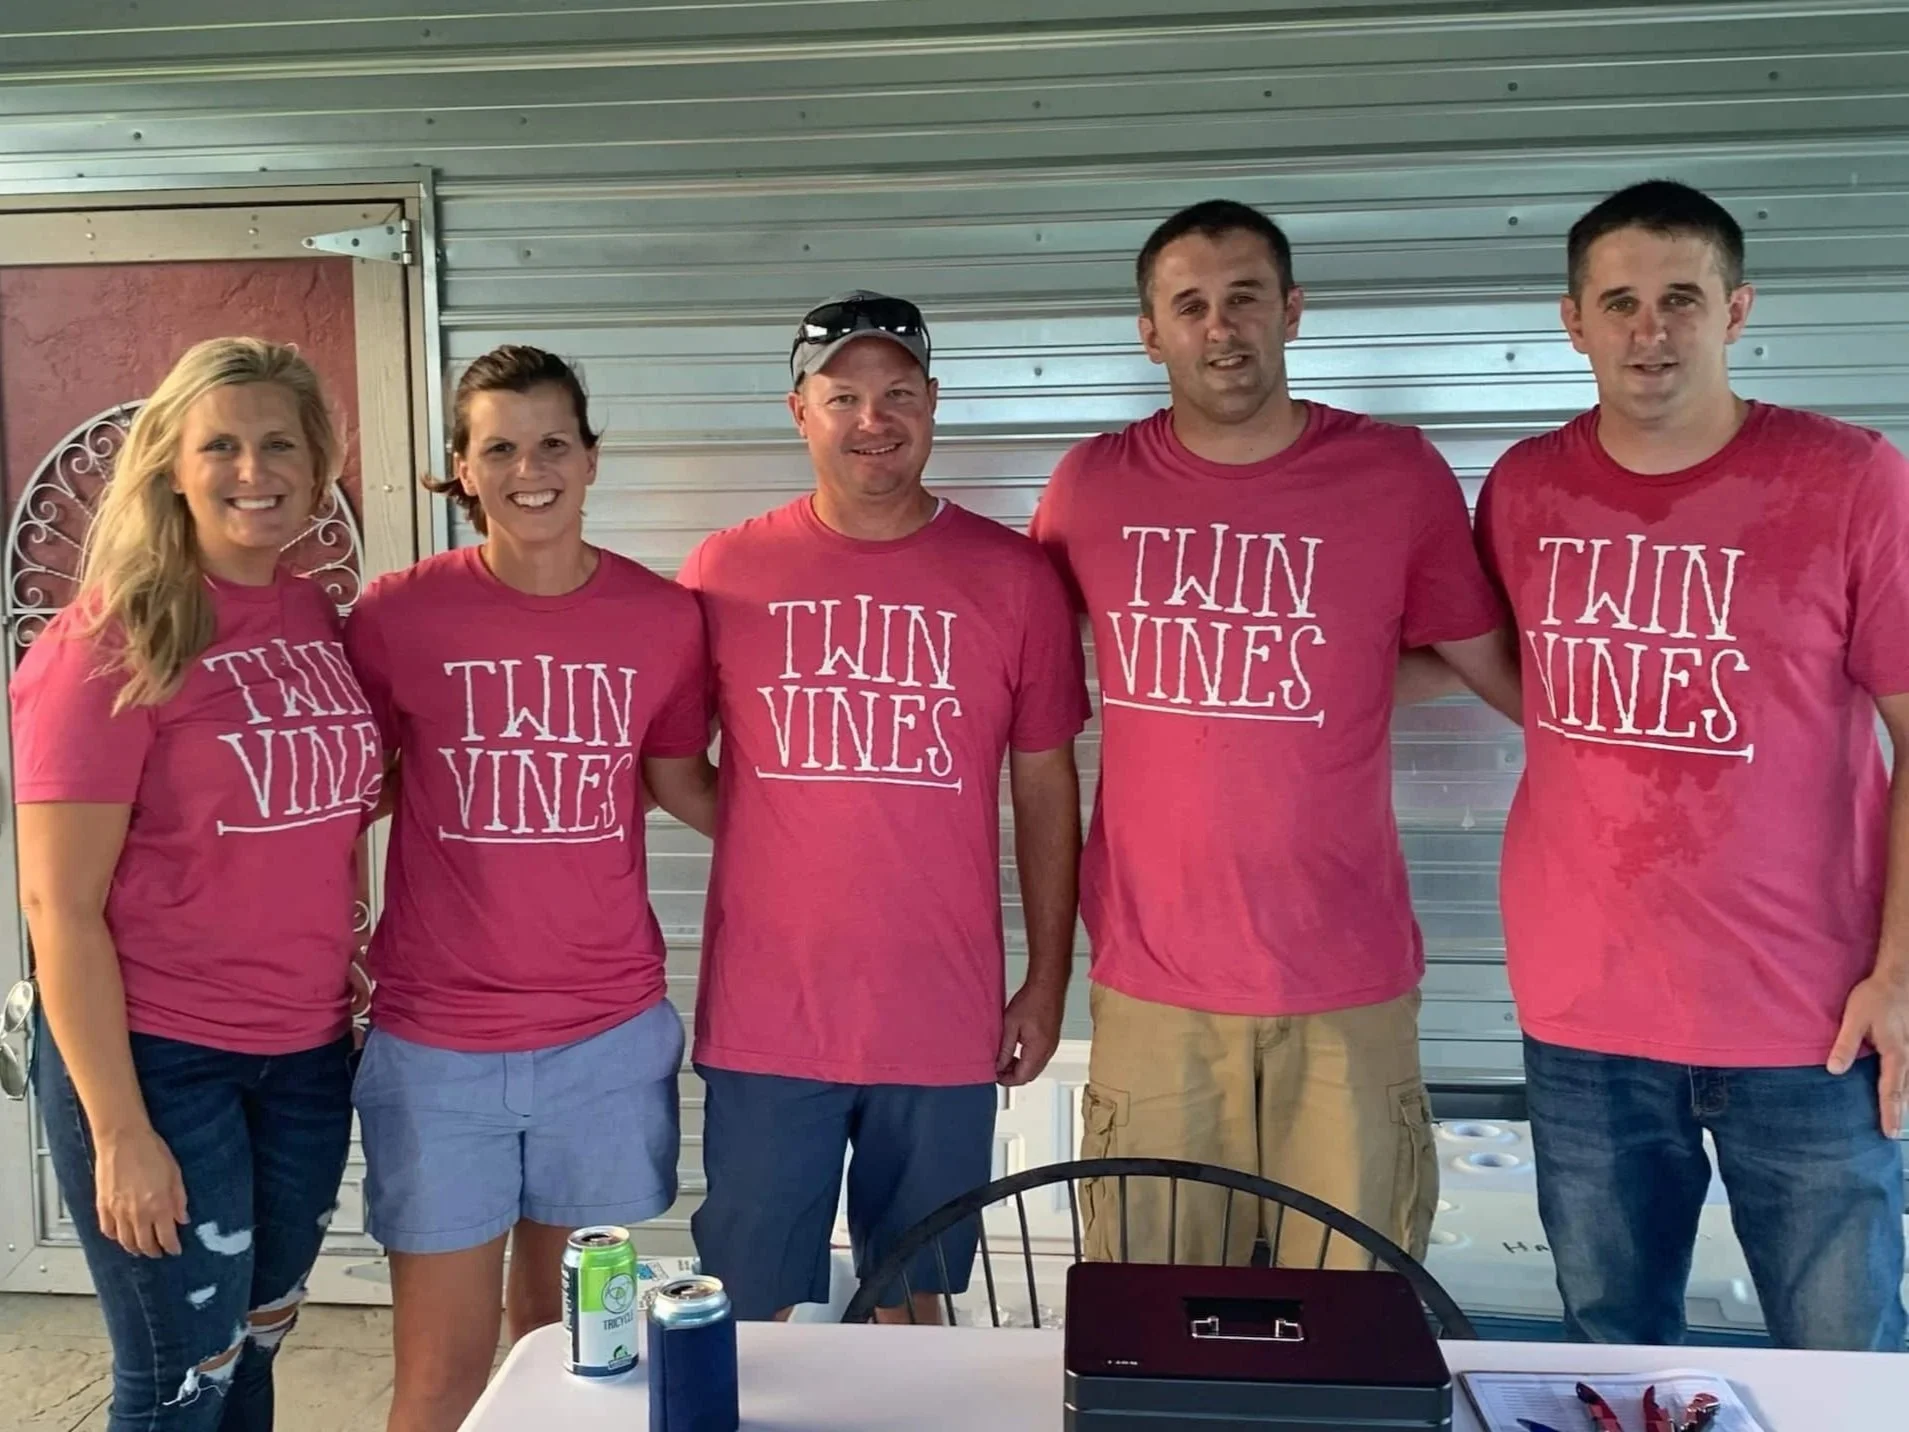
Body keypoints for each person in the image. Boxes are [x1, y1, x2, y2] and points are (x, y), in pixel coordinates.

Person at [1029, 200, 1519, 1267]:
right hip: (1155, 982)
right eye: (1189, 304)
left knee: (1353, 1320)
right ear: (1148, 332)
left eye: (1245, 297)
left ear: (1291, 311)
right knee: (1149, 1318)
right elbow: (1024, 673)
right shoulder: (1090, 487)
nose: (1221, 327)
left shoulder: (1393, 473)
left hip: (1346, 981)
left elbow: (1486, 664)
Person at [1475, 179, 1909, 1350]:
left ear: (1737, 308)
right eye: (1618, 301)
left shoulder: (1847, 477)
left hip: (1807, 1025)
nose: (1648, 330)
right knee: (1615, 1357)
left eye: (1680, 298)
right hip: (1586, 1019)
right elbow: (1478, 659)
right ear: (1573, 321)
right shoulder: (1525, 486)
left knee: (1847, 1363)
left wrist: (1899, 971)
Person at [679, 292, 1089, 1323]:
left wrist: (1046, 979)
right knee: (751, 1313)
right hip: (772, 1019)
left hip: (939, 1020)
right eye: (845, 395)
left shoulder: (1013, 577)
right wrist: (779, 827)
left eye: (898, 392)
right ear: (798, 411)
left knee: (914, 1305)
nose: (875, 417)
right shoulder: (726, 571)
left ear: (933, 403)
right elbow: (670, 762)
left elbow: (1044, 784)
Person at [343, 346, 715, 1432]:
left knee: (571, 1364)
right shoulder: (395, 615)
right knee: (444, 1380)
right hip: (437, 1047)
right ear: (462, 470)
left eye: (553, 442)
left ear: (591, 458)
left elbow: (676, 779)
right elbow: (344, 791)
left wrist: (843, 854)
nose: (529, 468)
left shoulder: (663, 618)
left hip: (604, 1040)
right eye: (498, 447)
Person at [13, 337, 378, 1429]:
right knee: (180, 1377)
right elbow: (57, 906)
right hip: (161, 1060)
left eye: (279, 443)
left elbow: (309, 793)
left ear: (317, 467)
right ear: (171, 462)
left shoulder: (311, 616)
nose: (251, 469)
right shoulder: (109, 642)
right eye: (219, 444)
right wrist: (119, 1128)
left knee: (253, 1353)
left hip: (308, 1051)